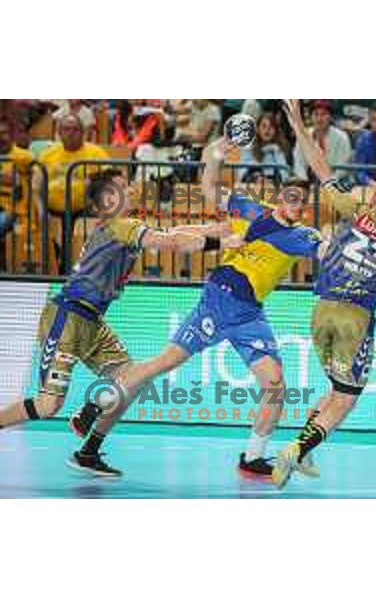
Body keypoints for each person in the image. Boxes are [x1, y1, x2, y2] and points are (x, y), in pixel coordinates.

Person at [68, 135, 323, 480]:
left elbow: (326, 250)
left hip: (250, 313)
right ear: (279, 199)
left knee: (275, 383)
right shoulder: (250, 210)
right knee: (164, 363)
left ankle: (252, 458)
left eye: (302, 202)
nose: (296, 205)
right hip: (219, 299)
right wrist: (218, 152)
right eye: (291, 198)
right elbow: (208, 185)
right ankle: (96, 403)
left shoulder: (302, 236)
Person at [0, 168, 234, 476]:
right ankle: (88, 408)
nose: (133, 189)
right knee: (48, 406)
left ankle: (89, 449)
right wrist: (224, 242)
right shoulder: (122, 225)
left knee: (133, 380)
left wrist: (226, 228)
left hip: (93, 322)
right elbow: (173, 243)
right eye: (124, 186)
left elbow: (179, 231)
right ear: (109, 199)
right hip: (67, 317)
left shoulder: (122, 226)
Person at [271, 100, 376, 488]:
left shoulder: (355, 210)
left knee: (334, 390)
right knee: (346, 399)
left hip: (320, 310)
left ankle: (305, 450)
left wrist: (299, 127)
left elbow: (320, 168)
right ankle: (295, 451)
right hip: (355, 318)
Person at [293, 100, 352, 182]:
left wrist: (328, 183)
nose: (319, 119)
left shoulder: (342, 137)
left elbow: (343, 168)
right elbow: (299, 163)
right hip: (310, 183)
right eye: (316, 114)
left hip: (336, 183)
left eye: (323, 114)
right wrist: (304, 181)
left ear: (330, 117)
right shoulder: (303, 136)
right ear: (311, 117)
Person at [238, 112, 290, 183]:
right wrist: (255, 178)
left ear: (276, 130)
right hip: (252, 186)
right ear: (258, 129)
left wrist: (271, 181)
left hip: (273, 186)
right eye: (264, 126)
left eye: (271, 127)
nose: (267, 130)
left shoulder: (279, 148)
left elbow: (284, 174)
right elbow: (242, 172)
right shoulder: (248, 148)